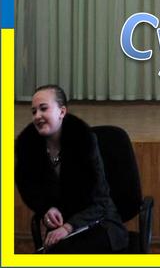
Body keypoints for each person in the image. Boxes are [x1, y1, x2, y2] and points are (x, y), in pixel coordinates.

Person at [15, 84, 128, 253]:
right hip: (61, 226)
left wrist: (69, 227)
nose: (37, 116)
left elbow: (101, 201)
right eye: (34, 111)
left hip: (99, 222)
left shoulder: (84, 142)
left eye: (43, 109)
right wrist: (47, 209)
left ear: (62, 112)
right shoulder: (30, 148)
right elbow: (32, 190)